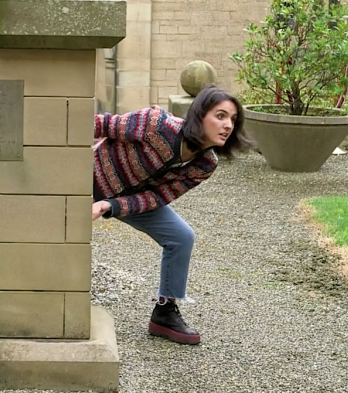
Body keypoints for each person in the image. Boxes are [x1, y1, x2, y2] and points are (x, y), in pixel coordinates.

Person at [92, 85, 251, 345]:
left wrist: (109, 205)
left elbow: (157, 198)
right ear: (200, 115)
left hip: (125, 199)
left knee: (181, 236)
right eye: (220, 116)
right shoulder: (157, 124)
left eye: (233, 120)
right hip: (85, 177)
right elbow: (100, 124)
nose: (228, 125)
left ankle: (164, 312)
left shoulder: (205, 164)